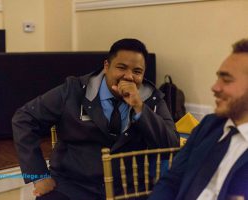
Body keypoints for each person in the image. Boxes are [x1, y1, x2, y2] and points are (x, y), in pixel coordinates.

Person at [12, 38, 179, 200]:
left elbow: (171, 144)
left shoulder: (152, 99)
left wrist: (139, 107)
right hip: (72, 186)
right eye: (121, 67)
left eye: (137, 71)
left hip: (129, 191)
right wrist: (38, 176)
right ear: (106, 66)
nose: (129, 77)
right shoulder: (74, 90)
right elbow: (24, 118)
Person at [148, 38, 248, 200]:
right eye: (218, 78)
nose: (215, 87)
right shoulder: (209, 125)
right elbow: (171, 181)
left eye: (227, 80)